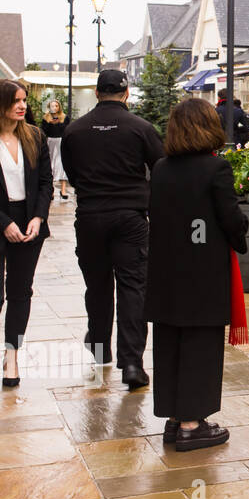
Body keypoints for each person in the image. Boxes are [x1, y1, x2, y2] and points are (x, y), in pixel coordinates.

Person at [144, 98, 248, 452]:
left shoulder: (160, 168)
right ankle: (192, 425)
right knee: (200, 344)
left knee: (171, 342)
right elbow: (230, 218)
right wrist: (241, 232)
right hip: (202, 271)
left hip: (165, 272)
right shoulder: (215, 169)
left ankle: (174, 420)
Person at [60, 69, 164, 389]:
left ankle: (100, 348)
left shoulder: (75, 131)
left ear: (96, 92)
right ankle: (132, 362)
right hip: (130, 216)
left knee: (98, 285)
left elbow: (72, 174)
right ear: (126, 93)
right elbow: (160, 166)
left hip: (90, 215)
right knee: (133, 287)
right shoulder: (141, 128)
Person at [0, 81, 53, 387]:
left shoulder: (34, 135)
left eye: (23, 100)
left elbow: (45, 181)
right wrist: (4, 222)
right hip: (2, 219)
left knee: (21, 292)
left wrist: (38, 216)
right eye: (15, 101)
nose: (22, 106)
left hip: (29, 220)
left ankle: (11, 358)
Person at [40, 98, 69, 201]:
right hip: (50, 142)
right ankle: (51, 191)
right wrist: (50, 123)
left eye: (56, 105)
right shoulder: (45, 118)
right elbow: (43, 131)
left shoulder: (64, 117)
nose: (54, 108)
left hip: (61, 142)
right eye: (52, 106)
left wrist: (58, 123)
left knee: (62, 163)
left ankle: (63, 190)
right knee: (50, 164)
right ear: (49, 107)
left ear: (59, 107)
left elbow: (66, 130)